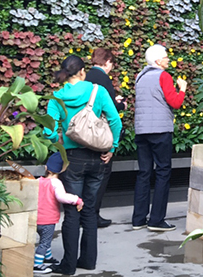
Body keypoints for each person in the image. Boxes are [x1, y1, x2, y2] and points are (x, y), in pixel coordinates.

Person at [44, 55, 122, 275]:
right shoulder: (97, 91)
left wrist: (57, 141)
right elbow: (115, 120)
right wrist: (112, 147)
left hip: (73, 159)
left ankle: (68, 265)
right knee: (89, 210)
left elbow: (48, 129)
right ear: (81, 71)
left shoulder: (57, 97)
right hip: (98, 158)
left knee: (72, 211)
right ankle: (88, 260)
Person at [132, 44, 186, 232]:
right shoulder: (163, 76)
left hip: (141, 130)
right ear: (157, 61)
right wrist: (183, 89)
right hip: (160, 130)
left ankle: (138, 218)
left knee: (144, 173)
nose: (168, 59)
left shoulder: (140, 77)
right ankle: (156, 220)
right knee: (163, 172)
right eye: (165, 57)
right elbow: (175, 102)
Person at [85, 48, 125, 228]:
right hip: (100, 135)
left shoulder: (86, 77)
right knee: (100, 175)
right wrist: (120, 104)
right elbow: (112, 112)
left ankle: (83, 213)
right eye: (111, 64)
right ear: (107, 62)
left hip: (84, 134)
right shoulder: (103, 79)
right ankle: (93, 215)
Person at [34, 152, 83, 274]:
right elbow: (62, 197)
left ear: (46, 168)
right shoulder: (56, 183)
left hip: (36, 218)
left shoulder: (38, 181)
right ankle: (37, 264)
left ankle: (47, 257)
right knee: (45, 242)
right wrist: (77, 200)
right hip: (48, 220)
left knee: (45, 239)